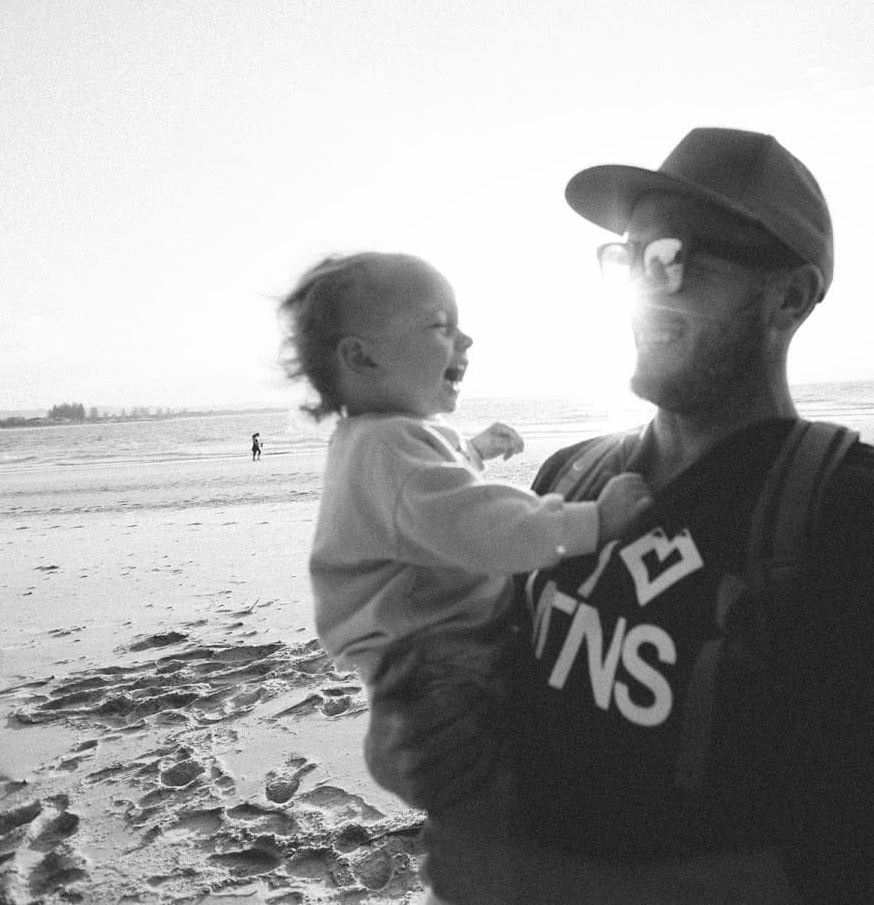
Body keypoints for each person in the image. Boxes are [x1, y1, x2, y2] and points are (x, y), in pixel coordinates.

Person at [367, 128, 874, 904]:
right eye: (630, 259)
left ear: (788, 297)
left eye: (675, 258)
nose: (647, 288)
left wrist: (542, 882)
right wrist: (413, 738)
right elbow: (498, 710)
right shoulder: (570, 479)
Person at [278, 251, 653, 902]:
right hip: (440, 686)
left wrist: (474, 450)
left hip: (422, 683)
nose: (466, 340)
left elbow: (431, 501)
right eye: (440, 326)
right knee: (499, 838)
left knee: (493, 826)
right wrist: (596, 519)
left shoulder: (381, 440)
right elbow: (482, 526)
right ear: (362, 358)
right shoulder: (389, 449)